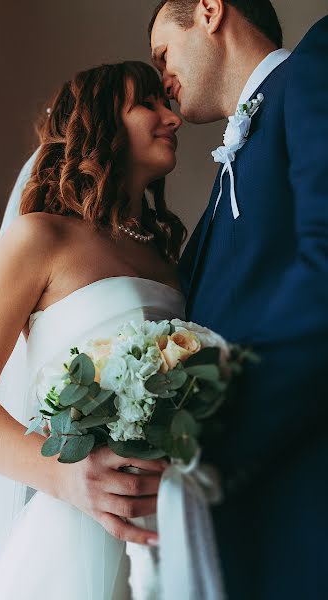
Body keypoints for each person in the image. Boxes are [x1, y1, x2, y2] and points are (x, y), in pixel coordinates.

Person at [0, 60, 187, 599]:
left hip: (166, 526)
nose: (173, 117)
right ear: (102, 122)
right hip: (74, 529)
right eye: (149, 104)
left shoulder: (169, 261)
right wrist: (62, 473)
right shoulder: (39, 238)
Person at [149, 1, 328, 599]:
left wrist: (211, 443)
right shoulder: (214, 198)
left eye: (162, 54)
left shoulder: (312, 70)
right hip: (238, 532)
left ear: (207, 10)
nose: (161, 78)